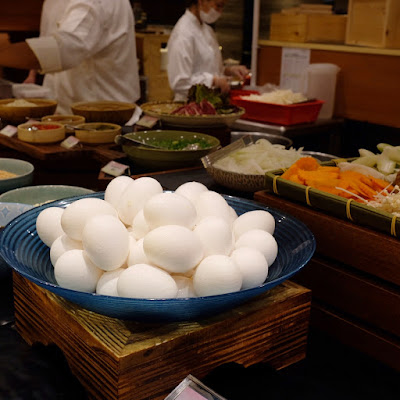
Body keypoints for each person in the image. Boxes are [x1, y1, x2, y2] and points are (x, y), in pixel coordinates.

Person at [0, 0, 140, 114]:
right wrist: (32, 74)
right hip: (63, 111)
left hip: (105, 113)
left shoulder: (94, 2)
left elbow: (64, 49)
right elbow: (48, 38)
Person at [167, 0, 249, 101]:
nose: (220, 12)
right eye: (218, 6)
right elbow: (179, 83)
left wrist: (229, 70)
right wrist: (213, 81)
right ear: (201, 1)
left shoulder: (207, 30)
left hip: (209, 102)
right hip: (189, 104)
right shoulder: (183, 33)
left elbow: (209, 68)